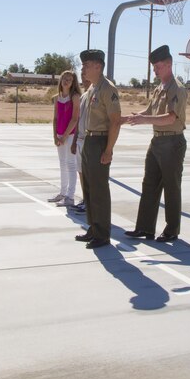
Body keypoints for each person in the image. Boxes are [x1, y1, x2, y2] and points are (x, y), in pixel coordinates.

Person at [123, 45, 187, 242]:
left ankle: (171, 229)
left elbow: (169, 118)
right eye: (154, 67)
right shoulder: (160, 88)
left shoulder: (177, 88)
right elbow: (149, 111)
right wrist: (129, 118)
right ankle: (145, 227)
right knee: (149, 184)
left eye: (157, 67)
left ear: (168, 64)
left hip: (172, 141)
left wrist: (144, 120)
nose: (154, 71)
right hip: (157, 141)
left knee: (171, 187)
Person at [75, 50, 121, 249]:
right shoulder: (92, 89)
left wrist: (108, 150)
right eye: (83, 65)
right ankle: (93, 228)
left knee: (99, 190)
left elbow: (115, 122)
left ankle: (103, 234)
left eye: (86, 65)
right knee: (89, 190)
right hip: (89, 141)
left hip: (100, 141)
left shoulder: (107, 89)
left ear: (98, 67)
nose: (83, 69)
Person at [48, 71, 81, 208]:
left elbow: (75, 119)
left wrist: (66, 136)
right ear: (60, 80)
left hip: (70, 135)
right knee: (62, 163)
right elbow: (55, 118)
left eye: (70, 79)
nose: (66, 81)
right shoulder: (56, 98)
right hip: (60, 135)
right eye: (64, 79)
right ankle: (62, 192)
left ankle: (70, 197)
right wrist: (55, 136)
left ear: (73, 82)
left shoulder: (75, 97)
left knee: (71, 164)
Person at [71, 75, 91, 214]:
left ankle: (90, 202)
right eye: (82, 76)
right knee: (81, 173)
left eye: (86, 77)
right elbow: (78, 120)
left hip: (89, 141)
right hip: (80, 140)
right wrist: (74, 141)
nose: (84, 79)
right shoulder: (83, 96)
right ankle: (85, 199)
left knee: (88, 174)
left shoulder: (96, 94)